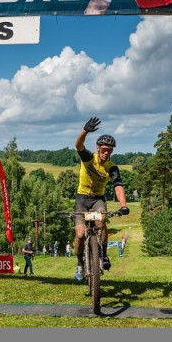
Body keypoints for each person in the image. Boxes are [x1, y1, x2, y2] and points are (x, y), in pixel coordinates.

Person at [72, 117, 130, 281]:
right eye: (104, 149)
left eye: (110, 151)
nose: (106, 153)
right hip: (82, 199)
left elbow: (118, 186)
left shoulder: (112, 168)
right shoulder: (89, 158)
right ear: (97, 148)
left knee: (101, 222)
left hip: (98, 200)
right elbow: (78, 146)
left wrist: (123, 205)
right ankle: (80, 264)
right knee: (80, 234)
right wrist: (85, 131)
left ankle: (103, 255)